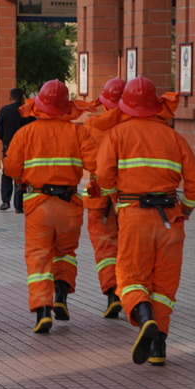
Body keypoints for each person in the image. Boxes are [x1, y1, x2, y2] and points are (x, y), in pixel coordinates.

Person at [96, 76, 195, 366]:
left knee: (131, 278)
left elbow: (104, 175)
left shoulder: (117, 134)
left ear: (125, 106)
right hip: (171, 217)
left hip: (134, 215)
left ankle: (144, 319)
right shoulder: (173, 137)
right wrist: (187, 209)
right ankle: (158, 347)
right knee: (164, 286)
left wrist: (114, 197)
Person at [3, 80, 98, 334]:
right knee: (65, 254)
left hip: (38, 205)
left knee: (38, 257)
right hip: (70, 205)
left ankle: (43, 311)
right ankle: (61, 298)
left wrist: (23, 180)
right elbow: (98, 164)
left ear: (40, 106)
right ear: (66, 107)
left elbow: (11, 168)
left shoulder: (26, 133)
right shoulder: (79, 132)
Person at [82, 77, 126, 319]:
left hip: (100, 196)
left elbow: (86, 161)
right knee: (130, 247)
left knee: (105, 246)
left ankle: (112, 294)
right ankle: (137, 294)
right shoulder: (138, 125)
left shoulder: (93, 125)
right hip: (132, 197)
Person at [0, 88, 34, 212]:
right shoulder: (27, 110)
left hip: (8, 145)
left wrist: (5, 140)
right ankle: (19, 205)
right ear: (22, 98)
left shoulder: (4, 111)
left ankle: (5, 201)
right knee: (21, 173)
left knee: (6, 172)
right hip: (25, 147)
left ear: (10, 98)